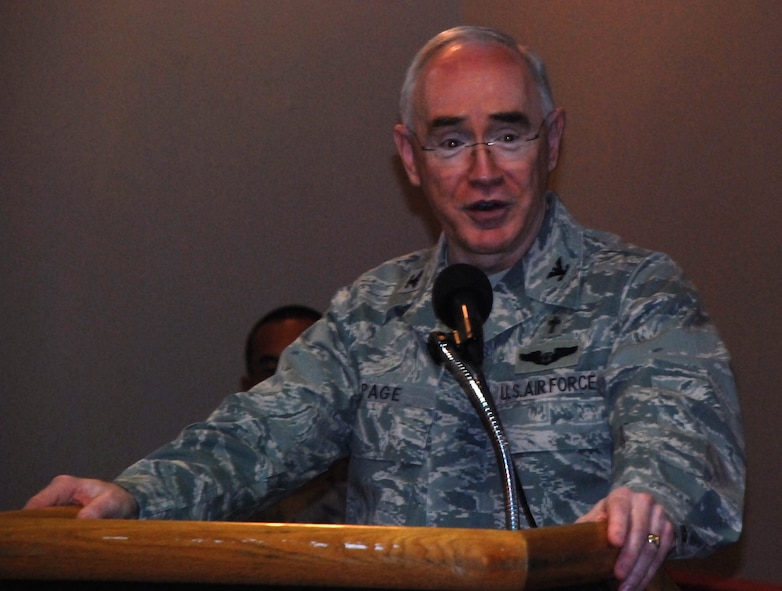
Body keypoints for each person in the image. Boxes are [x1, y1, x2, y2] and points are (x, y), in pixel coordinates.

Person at [24, 26, 745, 591]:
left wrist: (649, 495)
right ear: (411, 156)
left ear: (551, 141)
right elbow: (258, 435)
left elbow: (681, 444)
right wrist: (133, 494)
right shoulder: (373, 312)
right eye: (451, 141)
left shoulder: (637, 291)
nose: (483, 171)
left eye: (508, 134)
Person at [240, 304, 347, 524]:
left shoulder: (373, 481)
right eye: (270, 371)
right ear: (247, 387)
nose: (286, 384)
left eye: (303, 368)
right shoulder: (225, 488)